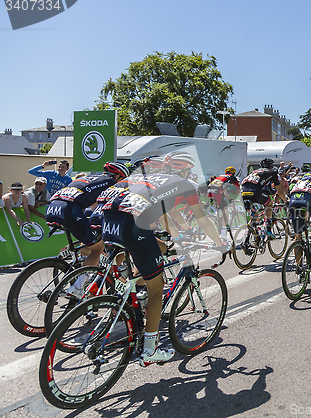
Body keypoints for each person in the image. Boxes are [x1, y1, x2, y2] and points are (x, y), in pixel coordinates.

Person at [101, 151, 227, 367]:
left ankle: (125, 297)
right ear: (186, 170)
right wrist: (220, 243)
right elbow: (202, 219)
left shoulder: (146, 176)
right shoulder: (184, 183)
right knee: (157, 288)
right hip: (132, 225)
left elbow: (163, 214)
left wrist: (177, 235)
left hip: (108, 220)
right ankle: (150, 350)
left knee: (145, 264)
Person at [46, 162, 130, 272]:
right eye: (122, 179)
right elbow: (104, 208)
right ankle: (79, 285)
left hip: (52, 208)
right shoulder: (111, 183)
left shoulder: (90, 178)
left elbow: (94, 205)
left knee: (90, 239)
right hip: (69, 209)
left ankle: (82, 265)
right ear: (117, 176)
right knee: (98, 247)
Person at [241, 158, 288, 238]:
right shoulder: (272, 172)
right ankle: (268, 229)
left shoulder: (254, 172)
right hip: (255, 191)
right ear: (271, 166)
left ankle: (246, 238)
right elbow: (280, 191)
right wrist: (286, 201)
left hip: (243, 191)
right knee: (269, 203)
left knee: (253, 218)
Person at [207, 166, 241, 239]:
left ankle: (218, 221)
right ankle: (223, 234)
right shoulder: (232, 178)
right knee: (226, 214)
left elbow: (223, 190)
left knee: (220, 209)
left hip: (209, 191)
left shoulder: (220, 177)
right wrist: (241, 198)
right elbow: (238, 190)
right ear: (234, 173)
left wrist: (229, 199)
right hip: (217, 192)